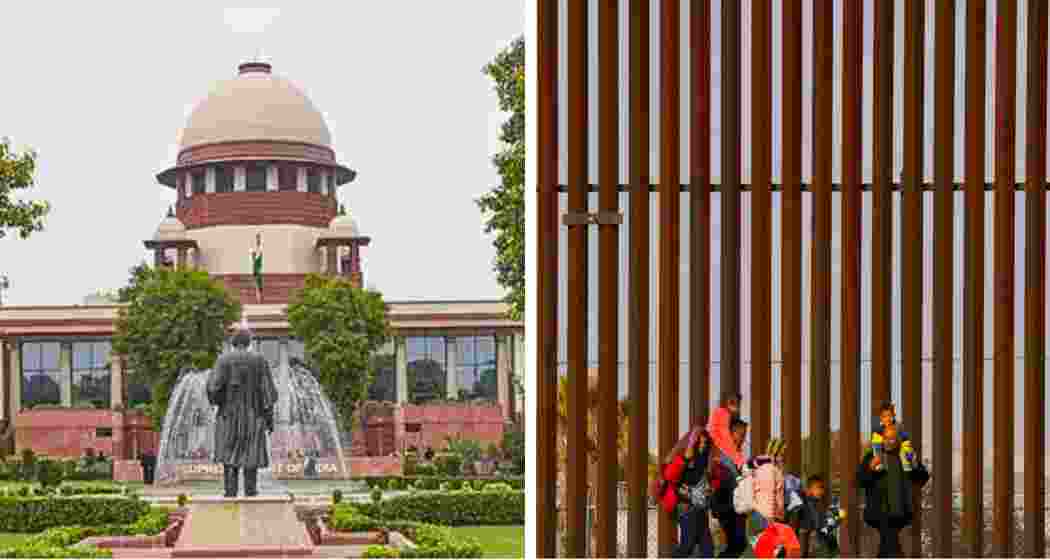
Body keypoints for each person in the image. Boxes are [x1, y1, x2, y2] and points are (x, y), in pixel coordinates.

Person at [207, 327, 279, 497]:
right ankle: (251, 493)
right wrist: (269, 419)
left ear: (233, 342)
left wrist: (218, 402)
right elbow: (268, 394)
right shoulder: (260, 360)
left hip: (228, 417)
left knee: (229, 459)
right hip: (254, 417)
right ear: (248, 342)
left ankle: (230, 493)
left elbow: (213, 388)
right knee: (250, 459)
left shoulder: (223, 360)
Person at [857, 424, 930, 558]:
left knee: (888, 545)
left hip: (900, 510)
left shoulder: (905, 456)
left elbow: (923, 478)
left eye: (892, 438)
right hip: (879, 511)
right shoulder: (871, 456)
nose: (889, 442)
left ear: (898, 439)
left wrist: (914, 465)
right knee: (890, 543)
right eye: (886, 438)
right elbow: (860, 480)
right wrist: (870, 469)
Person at [659, 425, 716, 558]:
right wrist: (685, 458)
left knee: (707, 548)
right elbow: (669, 475)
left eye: (705, 443)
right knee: (687, 546)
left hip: (700, 508)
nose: (703, 446)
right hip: (686, 507)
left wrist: (709, 489)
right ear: (693, 443)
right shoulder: (683, 456)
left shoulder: (705, 461)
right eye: (699, 443)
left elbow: (707, 481)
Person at [710, 417, 749, 558]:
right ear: (731, 434)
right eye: (741, 434)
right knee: (736, 543)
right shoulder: (724, 455)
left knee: (738, 543)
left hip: (733, 507)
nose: (744, 438)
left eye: (745, 434)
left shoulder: (736, 454)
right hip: (726, 506)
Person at [870, 402, 916, 472]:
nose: (888, 419)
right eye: (885, 416)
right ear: (881, 417)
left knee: (905, 453)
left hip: (898, 447)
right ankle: (881, 464)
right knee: (877, 448)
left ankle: (907, 465)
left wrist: (907, 449)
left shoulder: (898, 426)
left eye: (890, 416)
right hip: (884, 449)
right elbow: (876, 443)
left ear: (893, 415)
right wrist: (878, 456)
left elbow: (905, 438)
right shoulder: (879, 429)